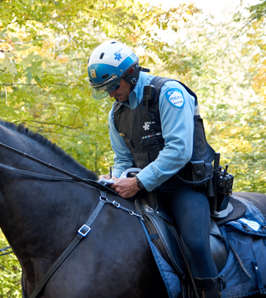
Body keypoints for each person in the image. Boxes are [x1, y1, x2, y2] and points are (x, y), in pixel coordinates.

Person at [87, 40, 221, 298]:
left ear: (131, 74)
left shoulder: (169, 93)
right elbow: (123, 158)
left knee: (195, 243)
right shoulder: (116, 114)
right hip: (146, 188)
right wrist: (116, 179)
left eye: (114, 86)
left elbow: (178, 151)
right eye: (106, 90)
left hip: (185, 186)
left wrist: (137, 183)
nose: (111, 94)